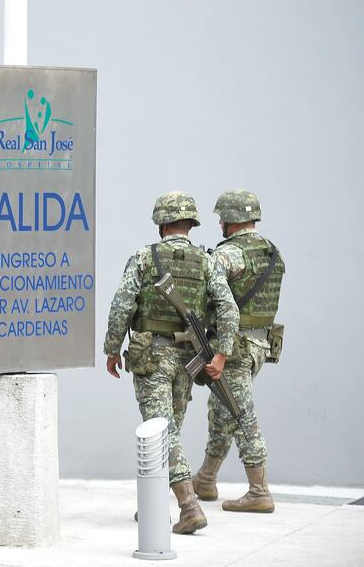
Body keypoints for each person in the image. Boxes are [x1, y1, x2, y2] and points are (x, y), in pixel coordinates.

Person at [102, 191, 239, 534]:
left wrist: (112, 348)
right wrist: (221, 354)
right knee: (168, 429)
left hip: (152, 357)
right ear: (191, 223)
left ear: (162, 224)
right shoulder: (208, 261)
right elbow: (228, 308)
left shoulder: (144, 258)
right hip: (188, 359)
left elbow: (122, 306)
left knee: (162, 432)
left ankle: (189, 506)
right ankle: (153, 506)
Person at [193, 190, 284, 513]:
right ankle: (205, 478)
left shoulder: (227, 255)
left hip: (232, 349)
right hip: (260, 344)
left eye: (222, 218)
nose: (219, 222)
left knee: (242, 416)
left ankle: (259, 491)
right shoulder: (271, 251)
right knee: (223, 412)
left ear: (231, 220)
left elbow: (213, 299)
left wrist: (220, 349)